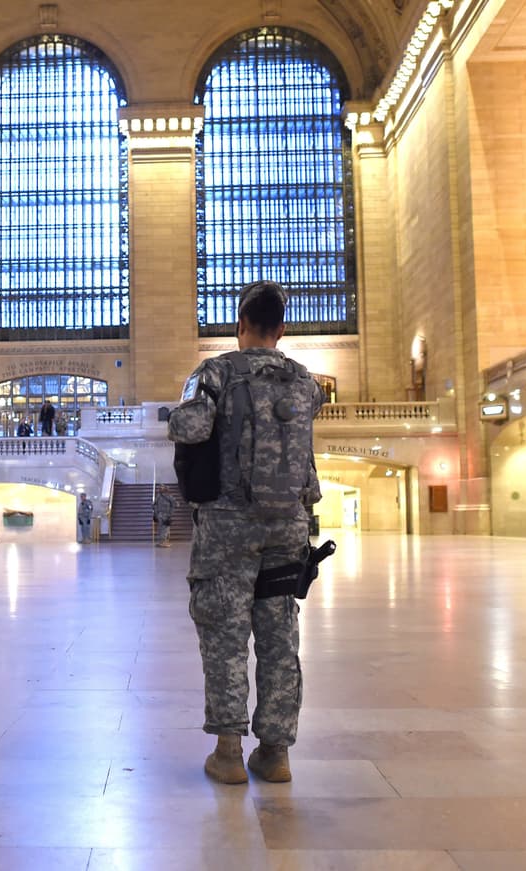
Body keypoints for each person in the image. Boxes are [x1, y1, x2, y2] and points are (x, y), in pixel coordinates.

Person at [167, 280, 326, 785]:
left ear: (240, 326)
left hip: (228, 527)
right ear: (281, 328)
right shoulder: (306, 383)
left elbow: (187, 429)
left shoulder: (214, 372)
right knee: (280, 637)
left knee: (226, 635)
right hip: (289, 525)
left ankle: (230, 753)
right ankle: (276, 753)